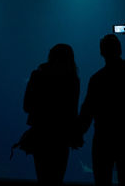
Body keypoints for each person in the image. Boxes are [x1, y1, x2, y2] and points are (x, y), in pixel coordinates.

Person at [79, 24, 125, 186]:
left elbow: (87, 111)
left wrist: (78, 133)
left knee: (102, 181)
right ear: (120, 50)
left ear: (101, 53)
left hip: (103, 139)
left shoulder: (97, 79)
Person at [23, 43, 81, 185]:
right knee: (57, 179)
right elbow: (72, 112)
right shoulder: (73, 79)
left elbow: (26, 106)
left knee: (42, 178)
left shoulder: (37, 75)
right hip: (62, 137)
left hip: (40, 135)